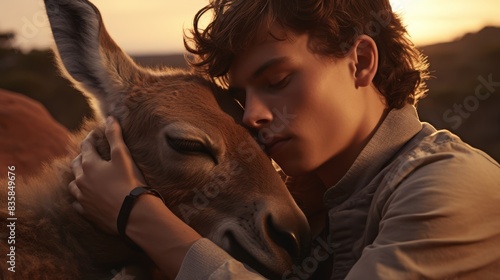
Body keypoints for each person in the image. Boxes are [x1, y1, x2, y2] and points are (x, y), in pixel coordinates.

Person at [69, 0, 500, 279]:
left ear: (362, 62)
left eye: (277, 79)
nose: (253, 115)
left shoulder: (451, 186)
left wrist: (136, 213)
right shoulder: (314, 204)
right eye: (240, 98)